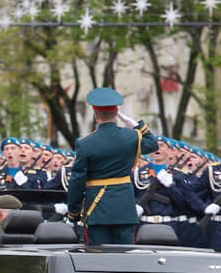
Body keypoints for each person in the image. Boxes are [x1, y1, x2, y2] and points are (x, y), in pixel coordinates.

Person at [66, 87, 158, 245]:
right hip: (124, 209)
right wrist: (136, 125)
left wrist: (74, 211)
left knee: (98, 260)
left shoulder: (85, 143)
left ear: (96, 115)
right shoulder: (131, 137)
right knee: (125, 261)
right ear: (116, 113)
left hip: (97, 210)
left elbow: (77, 179)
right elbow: (152, 144)